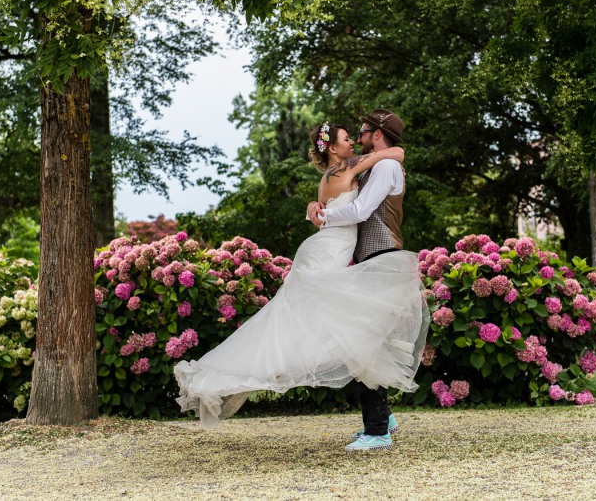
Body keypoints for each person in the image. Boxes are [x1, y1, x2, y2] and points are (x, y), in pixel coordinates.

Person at [174, 117, 429, 452]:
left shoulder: (329, 176)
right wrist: (324, 215)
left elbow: (370, 178)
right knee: (343, 335)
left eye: (358, 135)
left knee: (342, 334)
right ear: (334, 148)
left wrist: (317, 212)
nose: (354, 141)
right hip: (329, 253)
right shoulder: (351, 166)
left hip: (323, 251)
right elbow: (396, 152)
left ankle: (381, 421)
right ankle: (379, 425)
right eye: (347, 138)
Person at [306, 108, 419, 451]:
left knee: (363, 344)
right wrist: (315, 203)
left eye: (364, 131)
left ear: (378, 134)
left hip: (382, 257)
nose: (358, 137)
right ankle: (383, 419)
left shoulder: (384, 166)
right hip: (365, 259)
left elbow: (359, 211)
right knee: (352, 343)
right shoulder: (371, 164)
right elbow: (339, 189)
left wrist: (324, 217)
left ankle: (378, 431)